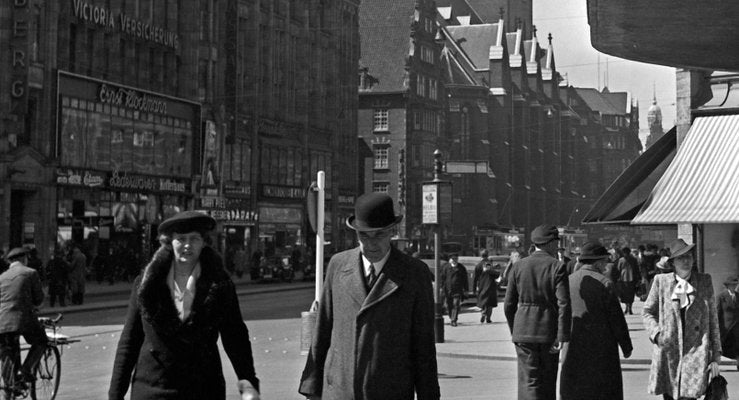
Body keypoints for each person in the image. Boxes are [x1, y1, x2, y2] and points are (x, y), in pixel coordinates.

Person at [298, 192, 440, 400]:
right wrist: (312, 388)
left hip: (390, 392)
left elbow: (423, 348)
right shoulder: (338, 265)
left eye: (379, 234)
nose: (371, 243)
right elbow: (322, 331)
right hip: (339, 391)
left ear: (393, 231)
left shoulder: (414, 274)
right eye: (364, 235)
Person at [109, 211, 260, 400]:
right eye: (181, 239)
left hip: (203, 390)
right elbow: (129, 341)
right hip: (153, 390)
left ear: (204, 242)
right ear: (169, 242)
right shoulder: (147, 284)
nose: (187, 245)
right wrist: (115, 394)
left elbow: (235, 336)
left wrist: (248, 381)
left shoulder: (219, 285)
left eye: (194, 239)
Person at [642, 239, 721, 400]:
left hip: (696, 350)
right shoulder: (661, 282)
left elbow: (713, 318)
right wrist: (657, 334)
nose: (686, 261)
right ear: (672, 263)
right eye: (680, 258)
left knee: (690, 396)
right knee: (670, 394)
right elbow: (647, 311)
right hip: (669, 351)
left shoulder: (704, 281)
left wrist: (716, 354)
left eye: (689, 257)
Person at [504, 225, 571, 400]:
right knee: (548, 380)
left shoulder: (518, 266)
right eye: (556, 242)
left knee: (528, 380)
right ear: (549, 243)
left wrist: (515, 329)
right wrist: (561, 335)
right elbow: (563, 303)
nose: (557, 246)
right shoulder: (557, 266)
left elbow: (508, 304)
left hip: (523, 332)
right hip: (548, 332)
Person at [560, 241, 633, 400]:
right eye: (605, 261)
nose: (607, 265)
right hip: (601, 348)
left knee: (575, 390)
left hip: (572, 345)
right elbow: (617, 319)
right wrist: (626, 346)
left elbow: (559, 311)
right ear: (598, 262)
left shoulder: (567, 281)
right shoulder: (604, 283)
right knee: (602, 390)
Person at [0, 247, 47, 399]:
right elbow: (39, 299)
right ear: (24, 259)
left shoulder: (1, 277)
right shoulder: (30, 273)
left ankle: (9, 387)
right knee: (41, 341)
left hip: (2, 322)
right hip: (22, 319)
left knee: (8, 350)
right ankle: (25, 370)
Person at [717, 275, 739, 371]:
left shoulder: (738, 296)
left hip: (736, 327)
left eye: (735, 285)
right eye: (732, 285)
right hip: (725, 328)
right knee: (725, 347)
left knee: (736, 347)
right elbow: (717, 312)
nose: (734, 287)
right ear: (728, 285)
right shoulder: (721, 297)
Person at [441, 253, 468, 327]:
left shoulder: (461, 268)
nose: (454, 260)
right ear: (450, 260)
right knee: (449, 305)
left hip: (457, 290)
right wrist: (441, 287)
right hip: (448, 290)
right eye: (453, 259)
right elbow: (442, 278)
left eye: (455, 259)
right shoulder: (446, 267)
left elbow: (465, 279)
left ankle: (454, 320)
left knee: (455, 304)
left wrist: (466, 289)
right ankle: (451, 316)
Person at [473, 250, 499, 324]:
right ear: (487, 255)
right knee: (490, 303)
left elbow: (475, 278)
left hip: (481, 285)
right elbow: (495, 275)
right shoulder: (490, 264)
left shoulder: (478, 265)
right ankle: (488, 318)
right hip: (491, 285)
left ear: (481, 256)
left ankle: (483, 313)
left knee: (483, 301)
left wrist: (474, 288)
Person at [616, 246, 640, 314]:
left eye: (627, 252)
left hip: (632, 280)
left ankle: (630, 308)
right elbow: (618, 270)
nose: (626, 254)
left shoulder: (633, 259)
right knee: (624, 295)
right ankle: (627, 308)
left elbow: (637, 269)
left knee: (631, 295)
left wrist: (638, 278)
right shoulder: (621, 260)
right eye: (625, 253)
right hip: (623, 280)